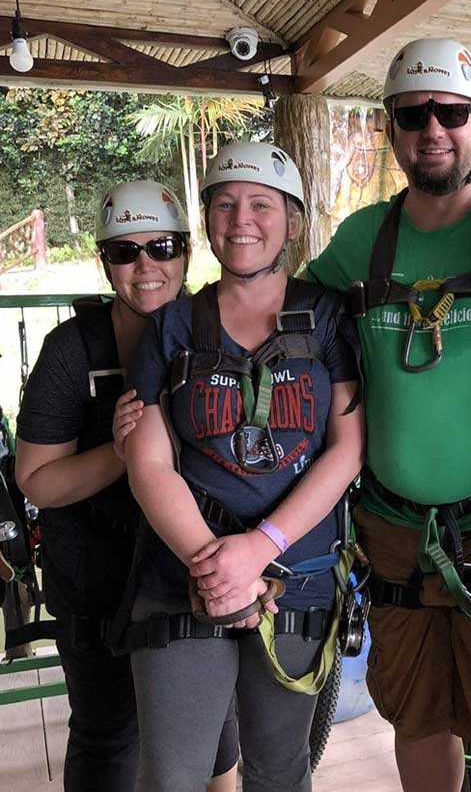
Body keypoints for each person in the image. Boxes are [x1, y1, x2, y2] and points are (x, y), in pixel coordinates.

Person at [305, 38, 471, 792]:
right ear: (391, 130)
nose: (434, 128)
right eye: (413, 114)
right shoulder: (364, 241)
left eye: (451, 111)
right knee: (416, 715)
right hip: (394, 532)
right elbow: (290, 312)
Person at [123, 142, 364, 792]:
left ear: (291, 219)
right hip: (184, 577)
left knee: (279, 772)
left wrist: (258, 549)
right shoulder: (173, 327)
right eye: (224, 204)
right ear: (206, 220)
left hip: (296, 580)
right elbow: (147, 459)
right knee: (173, 773)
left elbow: (348, 447)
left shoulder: (326, 317)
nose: (241, 220)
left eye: (261, 204)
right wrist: (215, 562)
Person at [14, 180, 238, 792]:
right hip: (97, 572)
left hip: (191, 566)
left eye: (162, 247)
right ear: (103, 261)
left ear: (187, 252)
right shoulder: (73, 350)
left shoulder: (221, 326)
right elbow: (36, 479)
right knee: (108, 737)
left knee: (217, 733)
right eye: (124, 252)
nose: (146, 267)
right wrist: (124, 453)